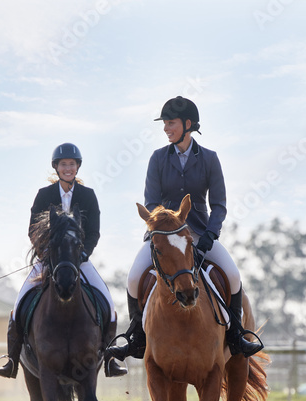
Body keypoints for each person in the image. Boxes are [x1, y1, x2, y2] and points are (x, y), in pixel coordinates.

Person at [105, 96, 262, 370]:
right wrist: (163, 226)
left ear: (188, 124)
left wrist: (209, 238)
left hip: (200, 235)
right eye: (165, 123)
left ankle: (236, 336)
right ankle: (136, 337)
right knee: (133, 278)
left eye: (171, 123)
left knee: (234, 277)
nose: (166, 128)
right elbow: (151, 201)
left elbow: (219, 205)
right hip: (164, 236)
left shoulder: (210, 159)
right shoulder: (157, 158)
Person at [0, 143, 124, 378]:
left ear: (77, 167)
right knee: (19, 303)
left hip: (79, 260)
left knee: (109, 304)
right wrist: (45, 255)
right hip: (48, 260)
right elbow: (33, 230)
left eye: (72, 164)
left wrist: (84, 254)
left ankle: (110, 359)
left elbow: (94, 232)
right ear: (56, 167)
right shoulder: (45, 195)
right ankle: (12, 360)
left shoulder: (88, 195)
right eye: (64, 164)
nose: (68, 168)